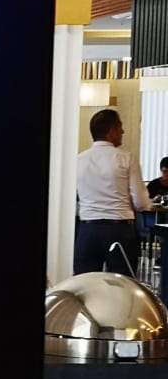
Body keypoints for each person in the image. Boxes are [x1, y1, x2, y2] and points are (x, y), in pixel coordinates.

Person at [74, 107, 152, 275]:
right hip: (120, 230)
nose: (123, 131)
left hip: (87, 230)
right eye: (120, 127)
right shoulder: (126, 158)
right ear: (112, 130)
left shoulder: (78, 160)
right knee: (121, 284)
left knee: (86, 283)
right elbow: (141, 202)